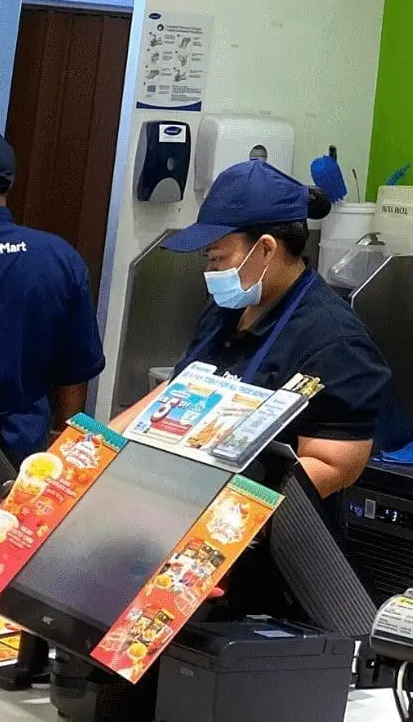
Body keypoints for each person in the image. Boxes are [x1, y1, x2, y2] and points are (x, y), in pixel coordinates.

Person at [159, 158, 391, 497]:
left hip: (268, 534)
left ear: (266, 248)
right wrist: (103, 449)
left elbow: (336, 465)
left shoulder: (336, 341)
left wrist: (220, 507)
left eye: (218, 259)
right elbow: (170, 393)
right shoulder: (223, 311)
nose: (211, 271)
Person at [0, 128, 106, 461]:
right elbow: (77, 371)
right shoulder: (58, 257)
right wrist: (65, 453)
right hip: (21, 455)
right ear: (8, 184)